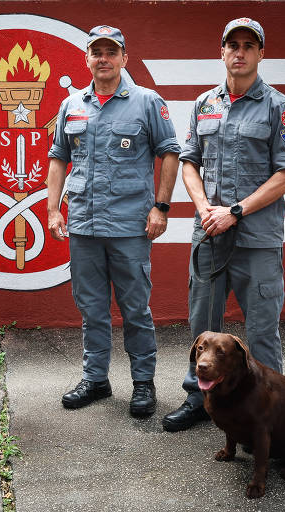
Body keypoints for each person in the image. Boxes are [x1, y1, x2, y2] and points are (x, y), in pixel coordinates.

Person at [162, 17, 285, 432]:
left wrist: (235, 210)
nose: (239, 52)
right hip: (209, 236)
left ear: (260, 53)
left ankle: (268, 412)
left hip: (257, 240)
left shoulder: (280, 108)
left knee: (260, 333)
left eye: (248, 45)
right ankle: (198, 400)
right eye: (232, 45)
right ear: (222, 51)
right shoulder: (205, 104)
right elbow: (189, 162)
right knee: (203, 328)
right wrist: (205, 206)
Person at [47, 26, 180, 417]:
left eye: (111, 51)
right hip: (84, 226)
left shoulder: (146, 102)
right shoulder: (72, 105)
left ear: (124, 57)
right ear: (86, 58)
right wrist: (54, 209)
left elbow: (170, 153)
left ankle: (143, 383)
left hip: (129, 227)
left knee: (135, 308)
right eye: (96, 52)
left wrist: (161, 207)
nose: (103, 58)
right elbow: (59, 156)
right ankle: (96, 379)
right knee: (91, 308)